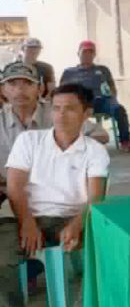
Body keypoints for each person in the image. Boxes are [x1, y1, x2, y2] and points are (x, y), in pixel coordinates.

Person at [0, 83, 110, 307]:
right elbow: (14, 187)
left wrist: (76, 223)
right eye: (57, 108)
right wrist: (27, 223)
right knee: (2, 255)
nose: (61, 115)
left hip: (70, 216)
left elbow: (95, 198)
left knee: (105, 245)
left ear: (86, 113)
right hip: (24, 214)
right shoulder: (30, 141)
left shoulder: (95, 151)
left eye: (70, 109)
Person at [0, 62, 108, 206]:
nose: (20, 90)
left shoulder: (58, 111)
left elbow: (101, 135)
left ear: (40, 88)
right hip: (9, 189)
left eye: (28, 83)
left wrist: (63, 146)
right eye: (12, 84)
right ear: (3, 91)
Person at [60, 41, 130, 153]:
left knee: (119, 110)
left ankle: (125, 141)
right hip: (80, 103)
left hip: (101, 101)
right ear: (78, 54)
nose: (87, 55)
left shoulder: (102, 70)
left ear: (94, 55)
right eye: (84, 52)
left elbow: (111, 88)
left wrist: (113, 100)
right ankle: (71, 143)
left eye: (90, 52)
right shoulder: (69, 72)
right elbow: (62, 92)